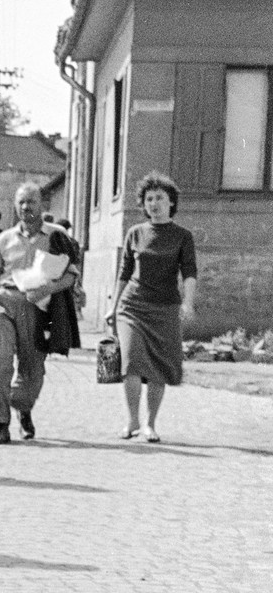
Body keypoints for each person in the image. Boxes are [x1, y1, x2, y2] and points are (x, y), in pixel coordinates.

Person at [0, 183, 81, 444]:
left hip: (36, 308)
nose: (26, 207)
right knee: (0, 362)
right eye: (21, 202)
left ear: (42, 205)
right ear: (15, 206)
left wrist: (48, 288)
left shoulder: (56, 237)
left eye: (31, 202)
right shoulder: (3, 240)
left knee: (32, 370)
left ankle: (23, 410)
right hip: (3, 302)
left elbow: (71, 276)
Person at [107, 170, 197, 443]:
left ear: (171, 202)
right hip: (132, 307)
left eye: (159, 198)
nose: (153, 203)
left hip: (165, 309)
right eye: (148, 199)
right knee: (131, 362)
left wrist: (188, 303)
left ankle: (150, 424)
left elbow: (189, 272)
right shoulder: (135, 233)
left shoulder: (183, 236)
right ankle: (132, 420)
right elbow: (123, 273)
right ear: (143, 203)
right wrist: (112, 307)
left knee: (158, 366)